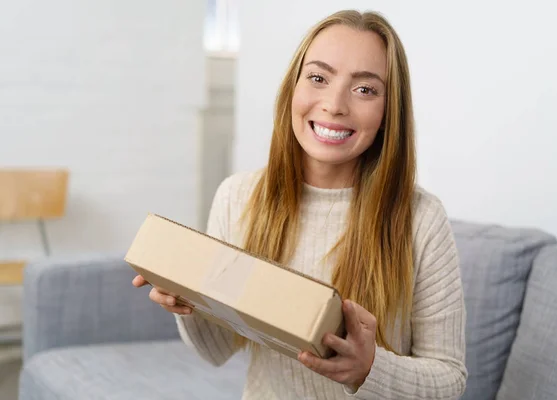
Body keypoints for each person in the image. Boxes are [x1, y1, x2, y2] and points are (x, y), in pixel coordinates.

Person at [133, 9, 467, 400]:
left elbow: (449, 380)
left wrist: (370, 368)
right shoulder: (238, 197)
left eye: (365, 89)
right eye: (318, 78)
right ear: (293, 88)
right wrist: (188, 297)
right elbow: (216, 351)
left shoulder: (420, 219)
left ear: (388, 113)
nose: (334, 104)